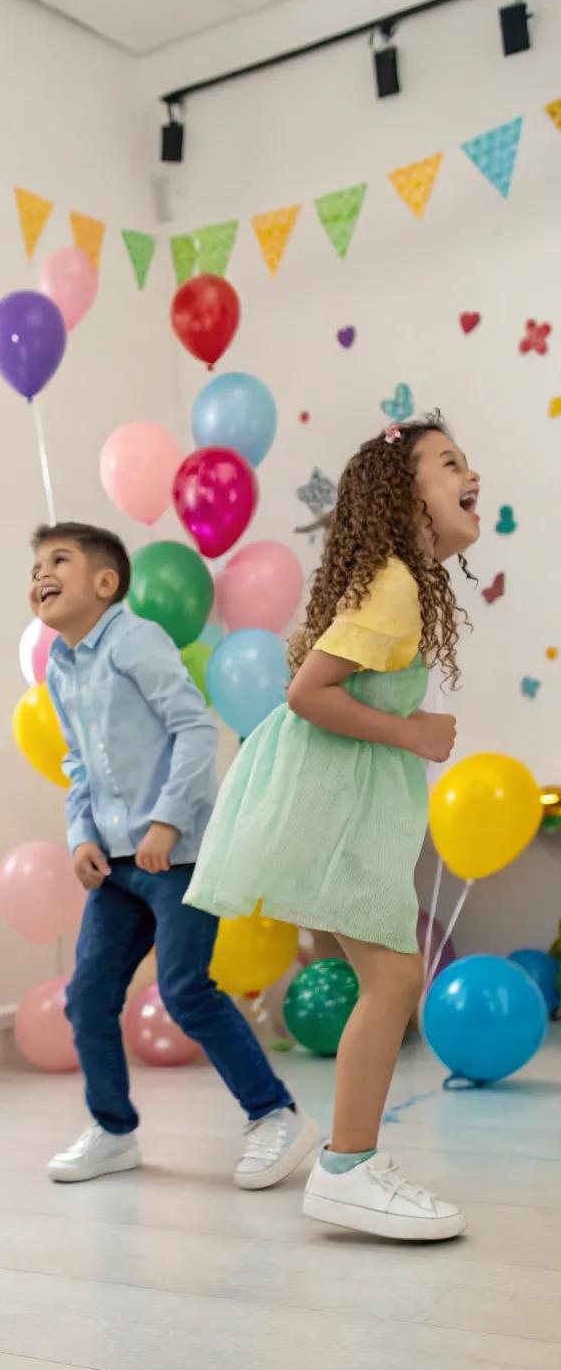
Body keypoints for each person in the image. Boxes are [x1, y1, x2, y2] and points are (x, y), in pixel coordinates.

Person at [187, 414, 479, 1241]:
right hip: (329, 806)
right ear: (403, 495)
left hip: (334, 803)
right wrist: (415, 731)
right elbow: (309, 693)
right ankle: (347, 1169)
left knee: (389, 979)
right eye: (451, 463)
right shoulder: (391, 585)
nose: (473, 476)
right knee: (393, 980)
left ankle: (351, 1163)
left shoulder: (398, 584)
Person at [31, 522, 318, 1189]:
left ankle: (273, 1113)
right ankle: (112, 1129)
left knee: (187, 989)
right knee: (89, 996)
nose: (40, 574)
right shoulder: (61, 664)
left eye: (58, 561)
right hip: (115, 866)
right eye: (36, 566)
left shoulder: (135, 639)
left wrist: (166, 822)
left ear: (105, 583)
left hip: (179, 855)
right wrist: (81, 835)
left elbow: (193, 727)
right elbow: (78, 762)